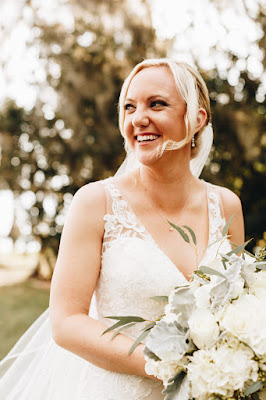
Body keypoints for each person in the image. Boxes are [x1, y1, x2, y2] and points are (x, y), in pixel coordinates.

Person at [0, 58, 244, 399]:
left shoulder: (227, 205)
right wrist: (174, 366)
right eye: (129, 107)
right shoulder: (96, 202)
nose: (138, 118)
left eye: (156, 104)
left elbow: (237, 309)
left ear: (197, 119)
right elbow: (67, 321)